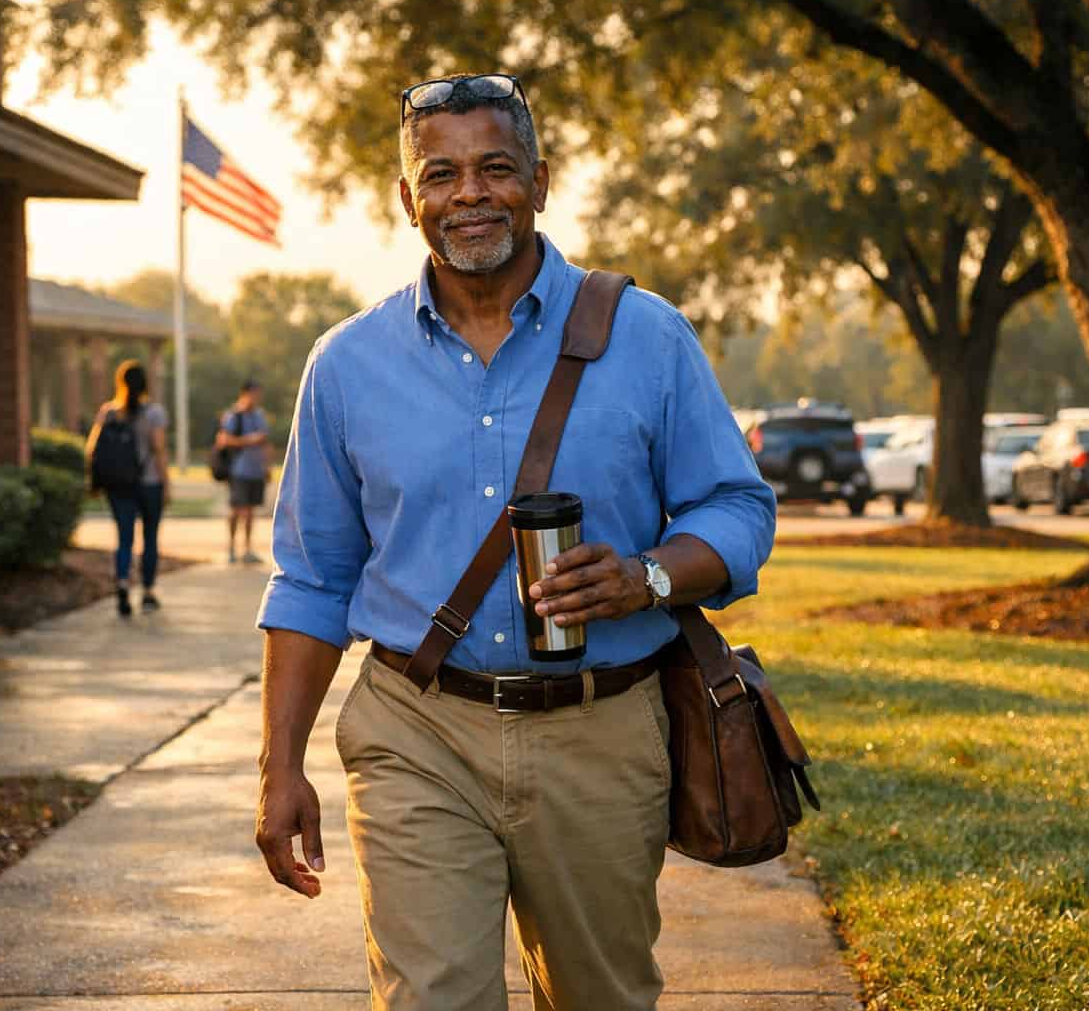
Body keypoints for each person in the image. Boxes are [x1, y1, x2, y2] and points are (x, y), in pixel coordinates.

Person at [253, 72, 776, 1011]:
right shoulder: (347, 364)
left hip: (602, 728)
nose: (470, 194)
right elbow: (311, 580)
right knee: (433, 998)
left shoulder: (646, 338)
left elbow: (738, 509)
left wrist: (644, 576)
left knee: (598, 998)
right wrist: (278, 768)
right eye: (441, 173)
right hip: (418, 725)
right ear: (408, 199)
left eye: (496, 167)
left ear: (540, 180)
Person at [86, 360, 169, 616]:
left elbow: (92, 450)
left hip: (119, 485)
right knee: (150, 539)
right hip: (149, 483)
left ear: (119, 383)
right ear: (145, 383)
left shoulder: (109, 412)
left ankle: (122, 585)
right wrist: (166, 483)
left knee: (124, 539)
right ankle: (147, 592)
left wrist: (97, 480)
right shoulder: (153, 413)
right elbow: (159, 450)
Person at [216, 379, 271, 564]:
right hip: (238, 469)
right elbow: (223, 440)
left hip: (256, 470)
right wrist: (249, 440)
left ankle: (247, 549)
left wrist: (267, 466)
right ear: (244, 393)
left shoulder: (260, 416)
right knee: (237, 510)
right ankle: (231, 547)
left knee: (250, 511)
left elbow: (265, 442)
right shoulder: (233, 415)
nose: (256, 398)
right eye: (254, 393)